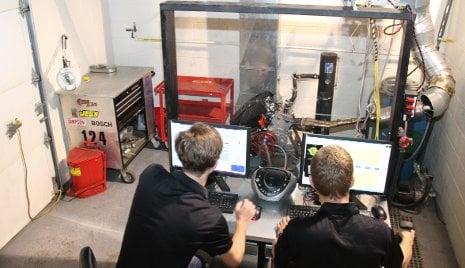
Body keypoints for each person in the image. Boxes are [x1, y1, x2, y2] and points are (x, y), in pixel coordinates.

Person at [116, 122, 257, 268]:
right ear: (215, 164)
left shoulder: (151, 174)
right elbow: (233, 261)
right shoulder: (208, 218)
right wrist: (242, 220)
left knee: (196, 259)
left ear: (180, 153)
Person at [272, 145, 415, 268]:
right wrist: (408, 239)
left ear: (312, 183)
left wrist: (281, 234)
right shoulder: (381, 232)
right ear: (352, 181)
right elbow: (400, 264)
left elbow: (278, 260)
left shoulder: (296, 230)